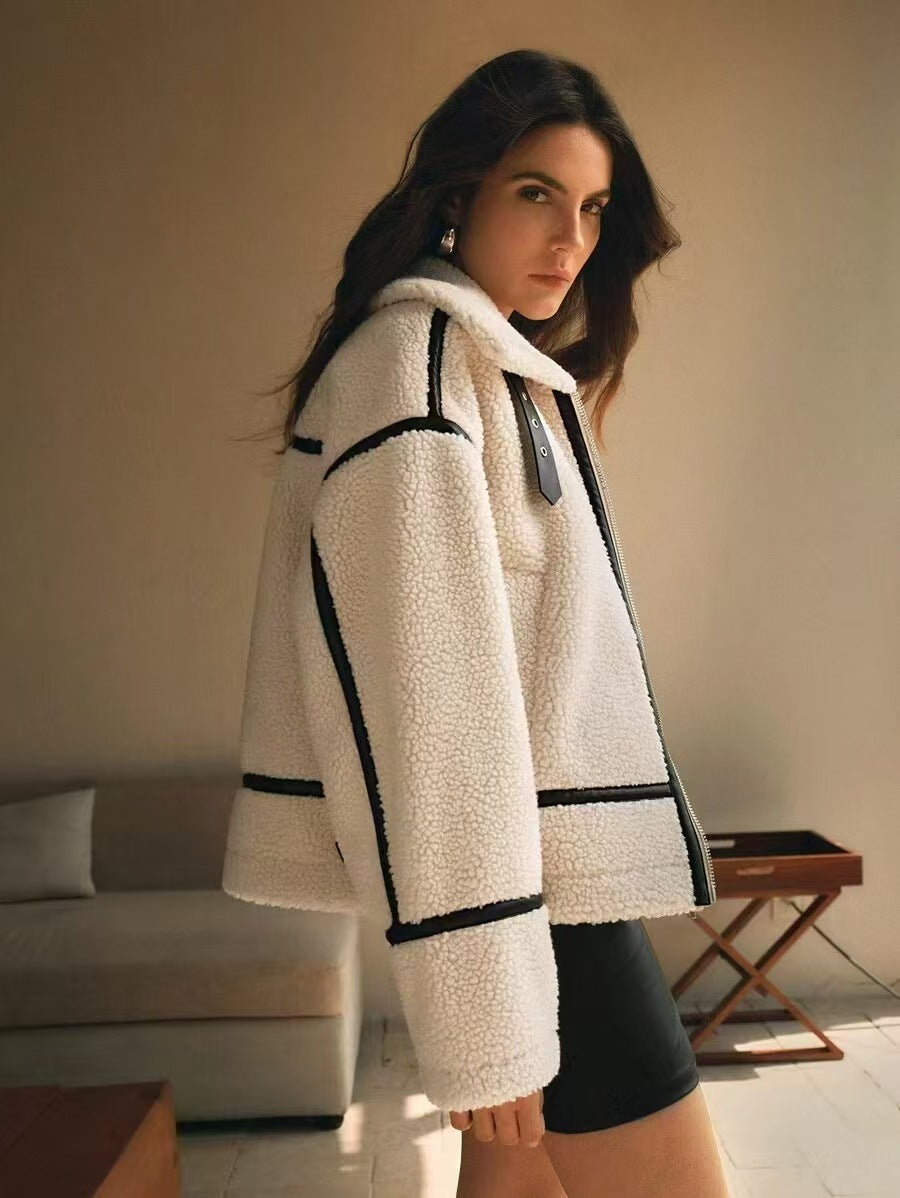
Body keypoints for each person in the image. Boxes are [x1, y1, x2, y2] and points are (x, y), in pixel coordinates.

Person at [222, 48, 731, 1198]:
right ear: (460, 192)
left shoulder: (489, 368)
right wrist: (486, 1003)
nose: (570, 240)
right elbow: (434, 710)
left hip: (539, 893)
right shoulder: (417, 368)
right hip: (534, 915)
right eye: (537, 193)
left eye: (592, 208)